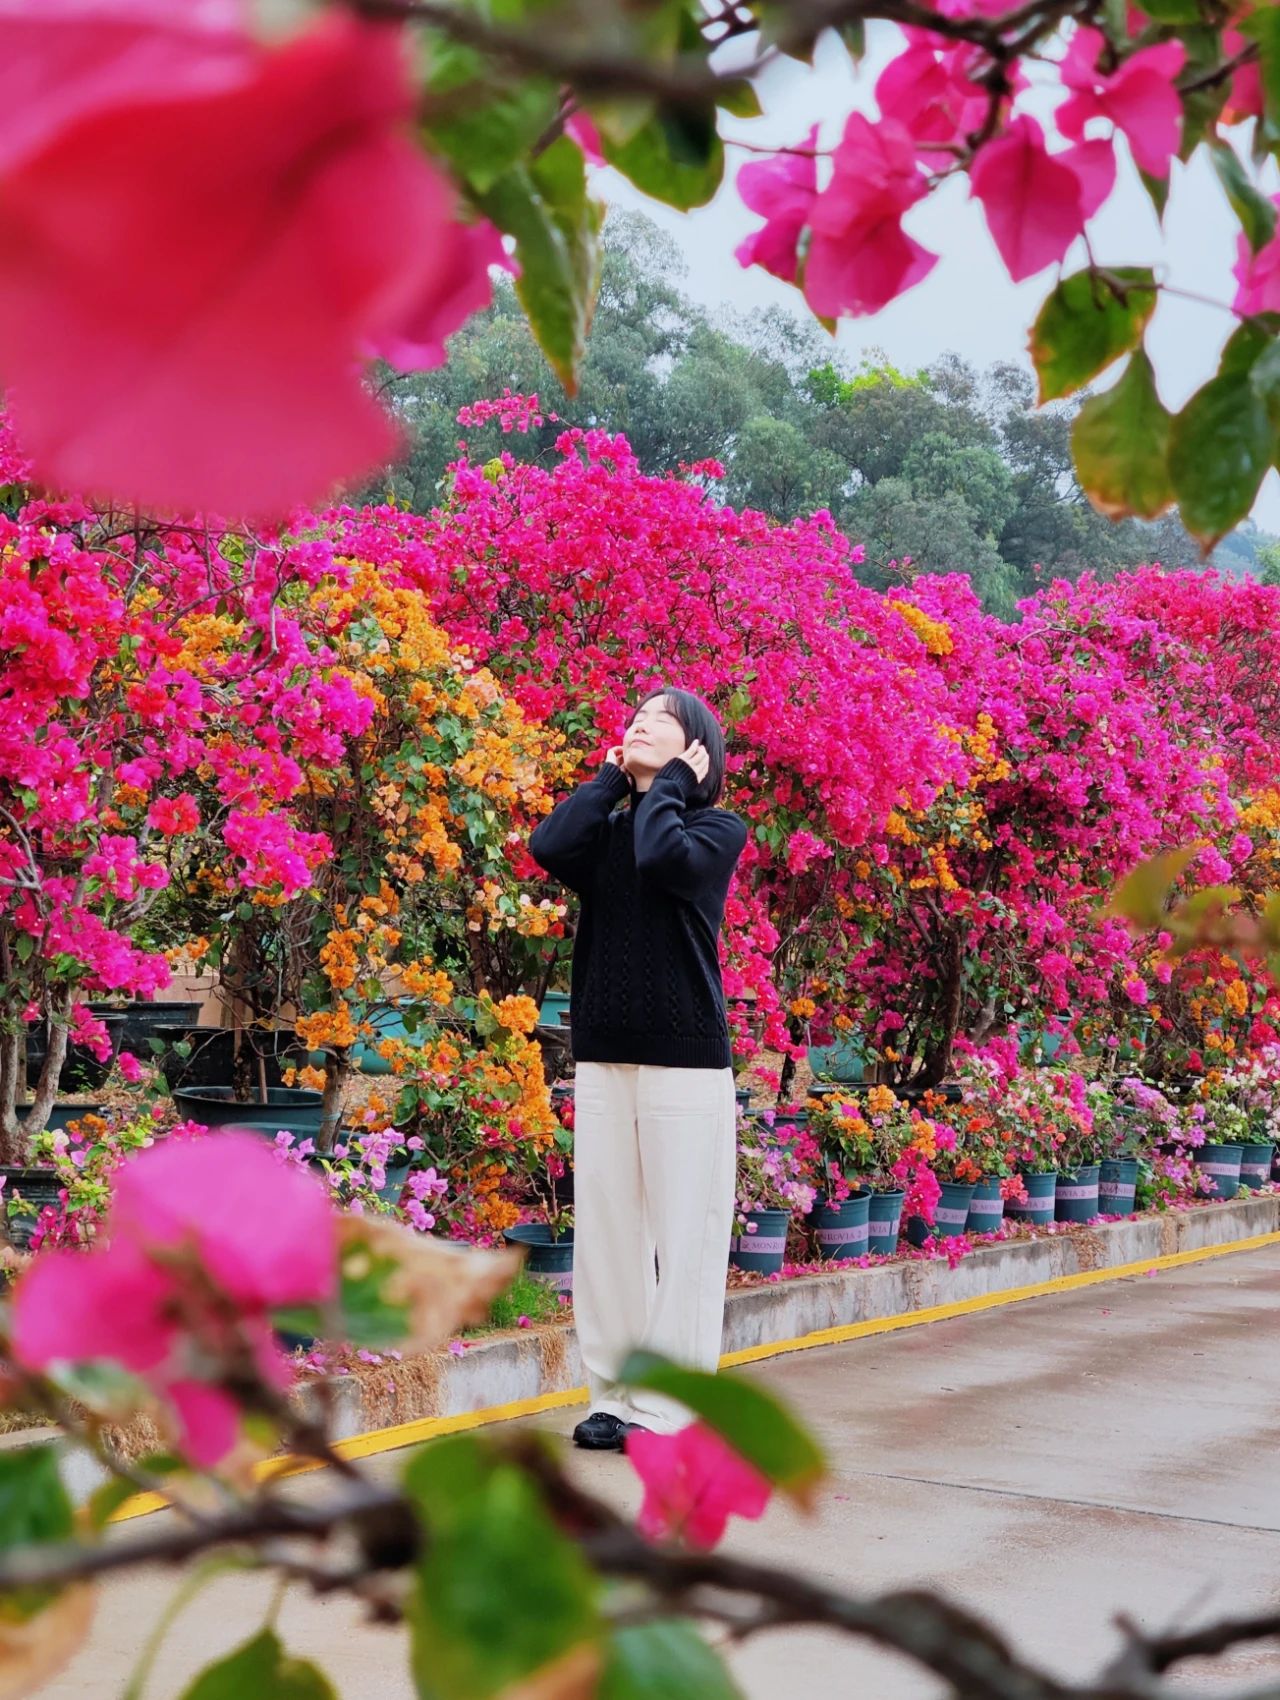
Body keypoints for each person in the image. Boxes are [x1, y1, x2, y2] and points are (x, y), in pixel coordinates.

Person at [528, 687, 748, 1450]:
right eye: (635, 715)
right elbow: (550, 845)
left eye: (662, 717)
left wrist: (673, 788)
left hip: (685, 1058)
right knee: (609, 1232)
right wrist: (610, 781)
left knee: (686, 1235)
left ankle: (667, 1405)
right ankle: (613, 1395)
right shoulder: (612, 825)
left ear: (697, 749)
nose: (640, 721)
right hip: (606, 1053)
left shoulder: (716, 828)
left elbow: (663, 857)